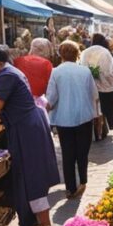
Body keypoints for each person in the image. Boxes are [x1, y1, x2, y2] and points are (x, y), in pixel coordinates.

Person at [0, 45, 60, 226]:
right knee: (30, 173)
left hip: (27, 128)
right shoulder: (11, 71)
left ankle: (45, 224)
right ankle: (35, 220)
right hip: (28, 124)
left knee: (32, 174)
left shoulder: (5, 76)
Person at [47, 41, 99, 199]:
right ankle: (83, 180)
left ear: (61, 55)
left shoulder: (56, 72)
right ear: (77, 54)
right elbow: (94, 95)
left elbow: (52, 97)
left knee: (67, 153)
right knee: (82, 152)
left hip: (64, 119)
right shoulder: (85, 72)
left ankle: (70, 187)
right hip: (84, 116)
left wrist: (46, 107)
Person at [81, 33, 113, 137]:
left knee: (94, 108)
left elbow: (83, 68)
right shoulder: (105, 52)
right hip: (105, 87)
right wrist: (112, 82)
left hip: (89, 87)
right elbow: (109, 71)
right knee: (104, 110)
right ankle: (102, 128)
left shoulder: (85, 52)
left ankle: (96, 129)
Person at [14, 38, 56, 106]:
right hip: (39, 103)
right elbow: (50, 86)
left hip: (18, 101)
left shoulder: (18, 61)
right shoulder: (47, 64)